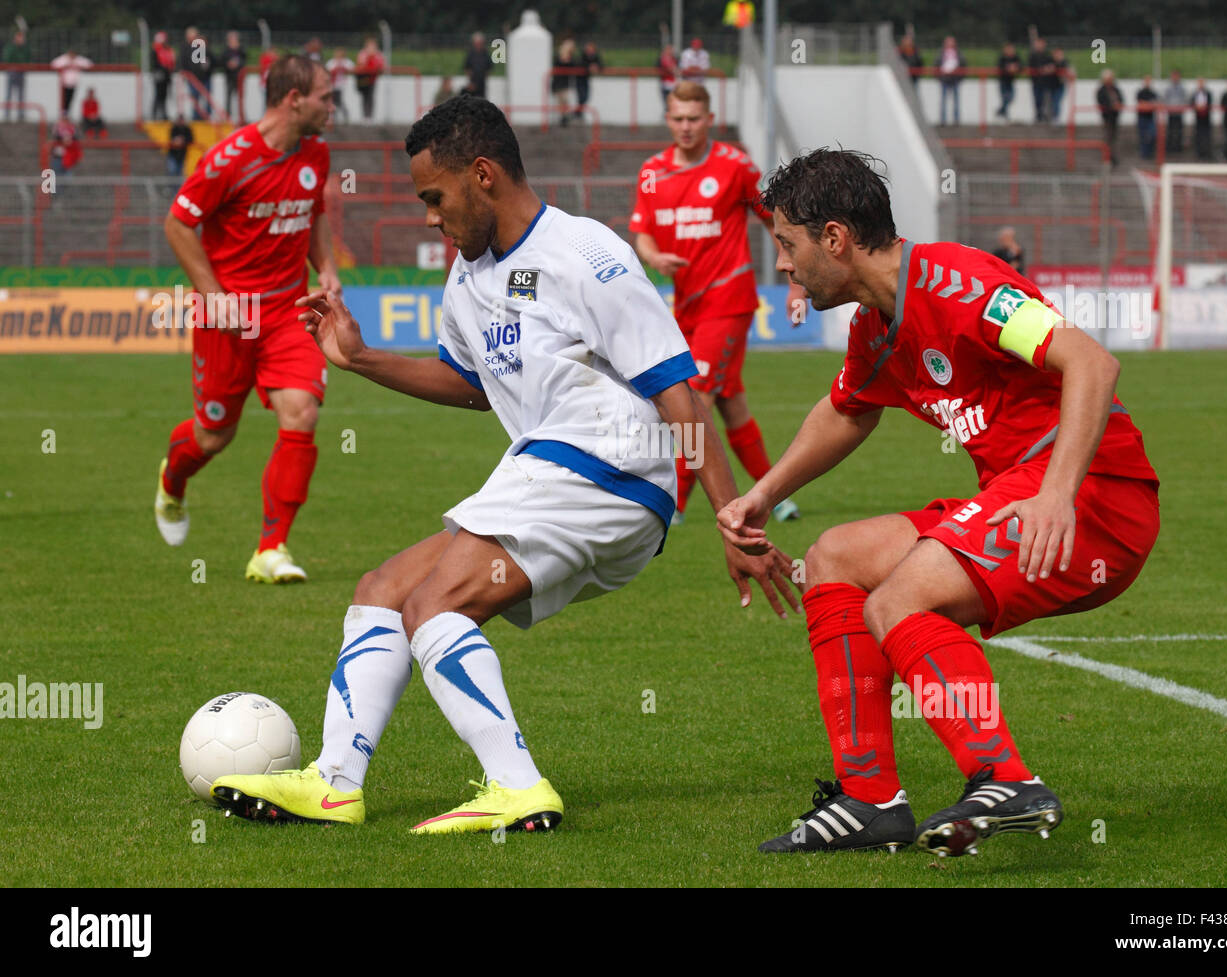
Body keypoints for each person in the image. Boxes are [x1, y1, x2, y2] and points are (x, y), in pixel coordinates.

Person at [209, 94, 797, 832]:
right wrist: (359, 359)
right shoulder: (465, 281)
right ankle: (335, 782)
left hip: (607, 467)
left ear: (482, 174)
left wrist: (727, 511)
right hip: (556, 471)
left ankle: (517, 786)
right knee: (384, 588)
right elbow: (469, 388)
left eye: (435, 197)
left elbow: (677, 390)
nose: (430, 216)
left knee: (436, 605)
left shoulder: (585, 254)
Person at [718, 148, 1160, 855]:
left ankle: (1006, 777)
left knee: (899, 601)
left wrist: (1056, 493)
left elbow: (1090, 360)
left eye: (787, 245)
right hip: (1021, 491)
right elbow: (848, 411)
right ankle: (869, 799)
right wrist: (761, 496)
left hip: (1096, 496)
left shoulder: (960, 282)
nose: (783, 266)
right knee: (834, 557)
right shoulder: (875, 327)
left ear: (835, 238)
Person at [153, 56, 340, 584]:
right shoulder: (228, 160)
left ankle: (271, 549)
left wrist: (325, 267)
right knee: (214, 437)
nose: (333, 105)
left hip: (287, 310)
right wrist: (214, 298)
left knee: (301, 412)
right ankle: (172, 481)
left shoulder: (317, 154)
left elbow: (315, 213)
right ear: (293, 99)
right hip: (229, 317)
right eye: (325, 96)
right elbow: (178, 223)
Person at [631, 80, 804, 524]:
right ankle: (777, 495)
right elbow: (643, 234)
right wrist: (653, 256)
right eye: (678, 118)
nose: (685, 127)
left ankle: (676, 501)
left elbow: (777, 222)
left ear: (709, 119)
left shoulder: (735, 167)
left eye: (694, 119)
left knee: (694, 399)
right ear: (668, 119)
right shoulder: (652, 170)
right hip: (685, 306)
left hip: (730, 298)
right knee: (731, 404)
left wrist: (796, 281)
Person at [51, 48, 92, 116]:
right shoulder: (63, 58)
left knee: (70, 99)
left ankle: (66, 114)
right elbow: (53, 64)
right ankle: (63, 114)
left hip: (73, 83)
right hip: (64, 83)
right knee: (64, 100)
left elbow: (89, 64)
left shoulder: (78, 59)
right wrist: (65, 65)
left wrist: (80, 66)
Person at [936, 36, 965, 126]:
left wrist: (959, 76)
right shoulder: (941, 53)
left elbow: (963, 64)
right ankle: (943, 120)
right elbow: (936, 65)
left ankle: (956, 120)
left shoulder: (958, 53)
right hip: (944, 79)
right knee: (943, 100)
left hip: (955, 79)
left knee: (956, 100)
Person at [4, 30, 31, 122]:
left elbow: (28, 58)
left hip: (21, 72)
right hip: (12, 71)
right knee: (9, 94)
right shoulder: (11, 47)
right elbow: (7, 58)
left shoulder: (25, 48)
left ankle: (21, 115)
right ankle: (7, 115)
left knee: (21, 95)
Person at [1096, 69, 1123, 164]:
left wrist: (1118, 105)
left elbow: (1121, 99)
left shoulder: (1115, 89)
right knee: (1108, 138)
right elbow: (1102, 102)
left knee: (1113, 138)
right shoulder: (1102, 90)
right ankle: (1108, 157)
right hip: (1107, 117)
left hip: (1114, 117)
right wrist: (1112, 106)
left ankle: (1112, 157)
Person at [355, 37, 384, 121]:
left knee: (370, 96)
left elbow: (381, 65)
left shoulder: (378, 54)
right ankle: (365, 116)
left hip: (373, 78)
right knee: (364, 96)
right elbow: (360, 64)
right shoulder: (363, 53)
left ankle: (369, 116)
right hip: (364, 78)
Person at [220, 32, 246, 122]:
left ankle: (241, 116)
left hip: (239, 77)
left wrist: (237, 63)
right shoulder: (226, 50)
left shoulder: (241, 49)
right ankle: (228, 116)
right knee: (228, 97)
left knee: (240, 98)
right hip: (229, 77)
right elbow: (222, 61)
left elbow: (244, 60)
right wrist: (229, 64)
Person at [150, 32, 176, 121]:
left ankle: (163, 114)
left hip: (167, 75)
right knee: (158, 95)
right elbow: (155, 64)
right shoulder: (155, 50)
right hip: (159, 75)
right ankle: (155, 114)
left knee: (164, 95)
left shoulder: (168, 49)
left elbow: (172, 61)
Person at [551, 37, 577, 125]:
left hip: (565, 82)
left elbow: (573, 67)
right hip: (559, 82)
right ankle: (563, 117)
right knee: (561, 101)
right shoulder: (558, 57)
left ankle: (565, 116)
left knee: (565, 100)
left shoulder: (571, 58)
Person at [575, 41, 603, 121]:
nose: (590, 51)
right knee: (582, 96)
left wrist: (596, 67)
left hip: (586, 79)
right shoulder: (582, 56)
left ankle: (578, 112)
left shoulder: (595, 56)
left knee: (586, 97)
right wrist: (589, 67)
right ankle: (578, 113)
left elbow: (601, 64)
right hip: (579, 79)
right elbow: (579, 64)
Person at [325, 47, 354, 123]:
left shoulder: (347, 62)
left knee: (339, 101)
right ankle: (334, 117)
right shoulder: (331, 62)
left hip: (342, 86)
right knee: (333, 101)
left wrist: (343, 68)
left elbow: (352, 70)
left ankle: (344, 115)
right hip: (332, 85)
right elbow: (327, 71)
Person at [1027, 38, 1051, 122]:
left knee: (1045, 100)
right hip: (1036, 82)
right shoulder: (1032, 56)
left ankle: (1045, 115)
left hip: (1046, 83)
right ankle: (1039, 115)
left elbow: (1052, 66)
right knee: (1037, 100)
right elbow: (1030, 66)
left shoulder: (1048, 55)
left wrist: (1047, 69)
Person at [995, 42, 1021, 120]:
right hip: (1003, 81)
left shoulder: (1016, 57)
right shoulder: (1002, 58)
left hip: (1011, 81)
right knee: (1005, 98)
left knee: (1011, 98)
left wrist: (1016, 68)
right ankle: (1005, 114)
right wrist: (1008, 68)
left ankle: (1001, 110)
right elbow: (1000, 66)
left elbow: (1021, 66)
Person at [1164, 70, 1187, 154]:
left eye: (1176, 76)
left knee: (1179, 130)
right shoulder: (1168, 88)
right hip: (1171, 112)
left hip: (1179, 113)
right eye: (1173, 76)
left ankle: (1178, 147)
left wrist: (1180, 108)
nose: (1175, 78)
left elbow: (1184, 99)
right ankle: (1170, 147)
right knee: (1170, 130)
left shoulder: (1181, 88)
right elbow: (1166, 99)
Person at [1135, 75, 1158, 161]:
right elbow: (1141, 104)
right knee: (1143, 136)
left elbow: (1155, 104)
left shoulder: (1153, 93)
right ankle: (1144, 154)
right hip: (1142, 118)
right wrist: (1149, 105)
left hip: (1150, 118)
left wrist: (1148, 105)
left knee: (1152, 135)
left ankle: (1149, 153)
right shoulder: (1140, 92)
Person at [462, 32, 492, 97]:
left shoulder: (486, 53)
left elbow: (489, 67)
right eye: (477, 43)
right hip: (473, 82)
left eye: (480, 43)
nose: (478, 45)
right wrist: (471, 81)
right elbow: (467, 68)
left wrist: (484, 77)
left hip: (482, 83)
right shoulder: (470, 54)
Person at [165, 113, 193, 178]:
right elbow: (171, 139)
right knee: (172, 170)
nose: (181, 122)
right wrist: (177, 140)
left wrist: (183, 140)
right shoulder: (174, 128)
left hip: (182, 154)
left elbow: (191, 139)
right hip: (173, 154)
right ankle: (171, 187)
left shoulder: (187, 129)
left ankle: (177, 187)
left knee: (179, 172)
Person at [1192, 78, 1213, 161]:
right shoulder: (1195, 93)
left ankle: (1206, 152)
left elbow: (1210, 103)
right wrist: (1197, 107)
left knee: (1206, 135)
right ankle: (1199, 152)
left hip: (1206, 117)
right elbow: (1192, 102)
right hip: (1198, 117)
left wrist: (1204, 107)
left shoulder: (1208, 93)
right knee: (1198, 135)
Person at [1047, 48, 1070, 122]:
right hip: (1050, 85)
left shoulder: (1064, 62)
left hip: (1060, 86)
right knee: (1050, 102)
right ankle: (1051, 117)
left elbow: (1067, 72)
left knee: (1056, 101)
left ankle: (1056, 117)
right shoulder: (1049, 61)